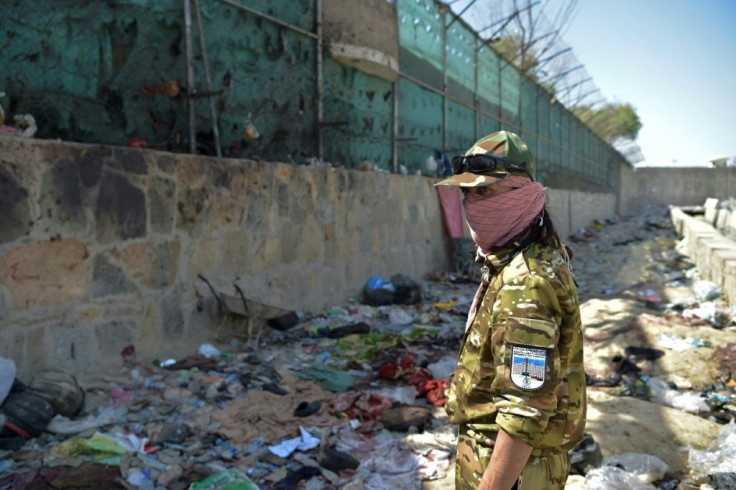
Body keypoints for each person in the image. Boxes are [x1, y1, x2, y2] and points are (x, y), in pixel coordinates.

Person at [435, 130, 586, 490]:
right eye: (467, 193)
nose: (472, 204)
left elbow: (526, 407)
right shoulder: (523, 259)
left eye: (484, 191)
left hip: (511, 472)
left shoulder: (526, 283)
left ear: (524, 195)